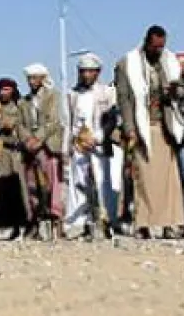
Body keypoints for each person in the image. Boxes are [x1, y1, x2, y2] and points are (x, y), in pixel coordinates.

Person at [114, 25, 184, 239]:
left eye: (161, 47)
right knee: (144, 178)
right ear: (147, 42)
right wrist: (129, 129)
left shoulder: (170, 62)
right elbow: (124, 99)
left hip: (165, 127)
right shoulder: (127, 64)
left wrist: (176, 91)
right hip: (142, 128)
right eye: (155, 46)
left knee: (169, 180)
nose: (158, 51)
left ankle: (169, 224)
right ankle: (143, 224)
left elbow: (182, 92)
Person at [63, 53, 120, 239]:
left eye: (90, 71)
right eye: (83, 71)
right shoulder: (72, 95)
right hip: (79, 144)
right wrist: (68, 146)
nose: (86, 75)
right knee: (78, 183)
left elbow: (112, 119)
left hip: (99, 143)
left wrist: (98, 137)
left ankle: (106, 222)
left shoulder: (107, 93)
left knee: (103, 183)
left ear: (98, 72)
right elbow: (68, 123)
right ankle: (78, 224)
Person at [0, 77, 32, 239]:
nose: (3, 93)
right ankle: (13, 226)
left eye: (7, 89)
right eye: (1, 89)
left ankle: (29, 225)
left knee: (23, 190)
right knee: (6, 191)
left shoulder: (21, 105)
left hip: (19, 153)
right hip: (3, 153)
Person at [21, 63, 65, 239]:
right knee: (33, 186)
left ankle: (56, 222)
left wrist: (38, 138)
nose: (31, 81)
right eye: (29, 78)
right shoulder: (24, 102)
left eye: (34, 78)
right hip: (30, 150)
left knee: (52, 185)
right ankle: (36, 223)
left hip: (48, 147)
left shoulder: (53, 96)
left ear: (43, 78)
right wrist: (27, 140)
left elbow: (53, 121)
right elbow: (20, 125)